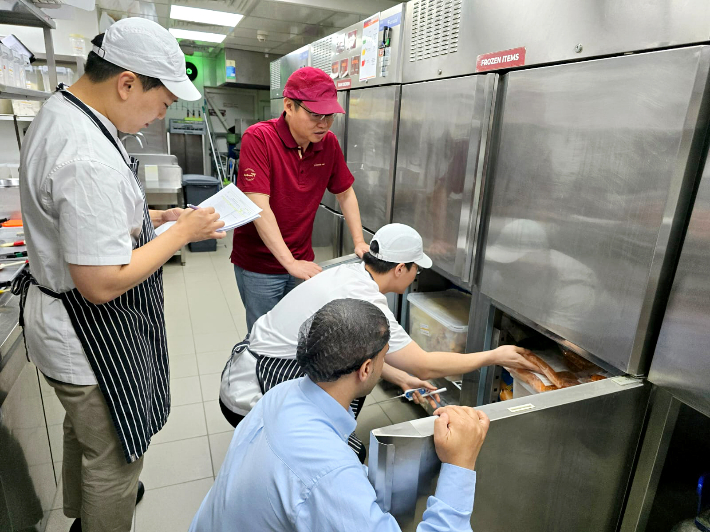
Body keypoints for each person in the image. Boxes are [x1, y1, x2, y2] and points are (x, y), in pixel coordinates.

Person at [15, 18, 225, 532]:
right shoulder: (88, 155)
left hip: (63, 322)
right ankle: (99, 516)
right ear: (127, 82)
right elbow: (102, 281)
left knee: (84, 434)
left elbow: (86, 219)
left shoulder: (64, 111)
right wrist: (184, 233)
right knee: (114, 460)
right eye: (164, 101)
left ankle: (79, 513)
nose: (162, 113)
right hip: (85, 330)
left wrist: (155, 219)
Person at [219, 223, 537, 459]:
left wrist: (399, 377)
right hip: (254, 396)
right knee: (350, 455)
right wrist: (494, 355)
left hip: (240, 376)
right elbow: (425, 365)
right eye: (416, 270)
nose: (416, 277)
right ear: (400, 269)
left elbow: (351, 349)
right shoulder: (366, 302)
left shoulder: (348, 273)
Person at [191, 298, 489, 531]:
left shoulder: (281, 393)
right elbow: (325, 480)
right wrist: (460, 465)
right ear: (367, 369)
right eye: (385, 357)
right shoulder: (329, 475)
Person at [231, 66, 369, 330]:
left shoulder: (327, 143)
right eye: (315, 115)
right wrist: (288, 262)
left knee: (299, 332)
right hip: (260, 264)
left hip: (302, 259)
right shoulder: (260, 138)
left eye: (329, 115)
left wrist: (359, 241)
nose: (324, 124)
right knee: (265, 336)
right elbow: (259, 206)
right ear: (289, 106)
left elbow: (345, 192)